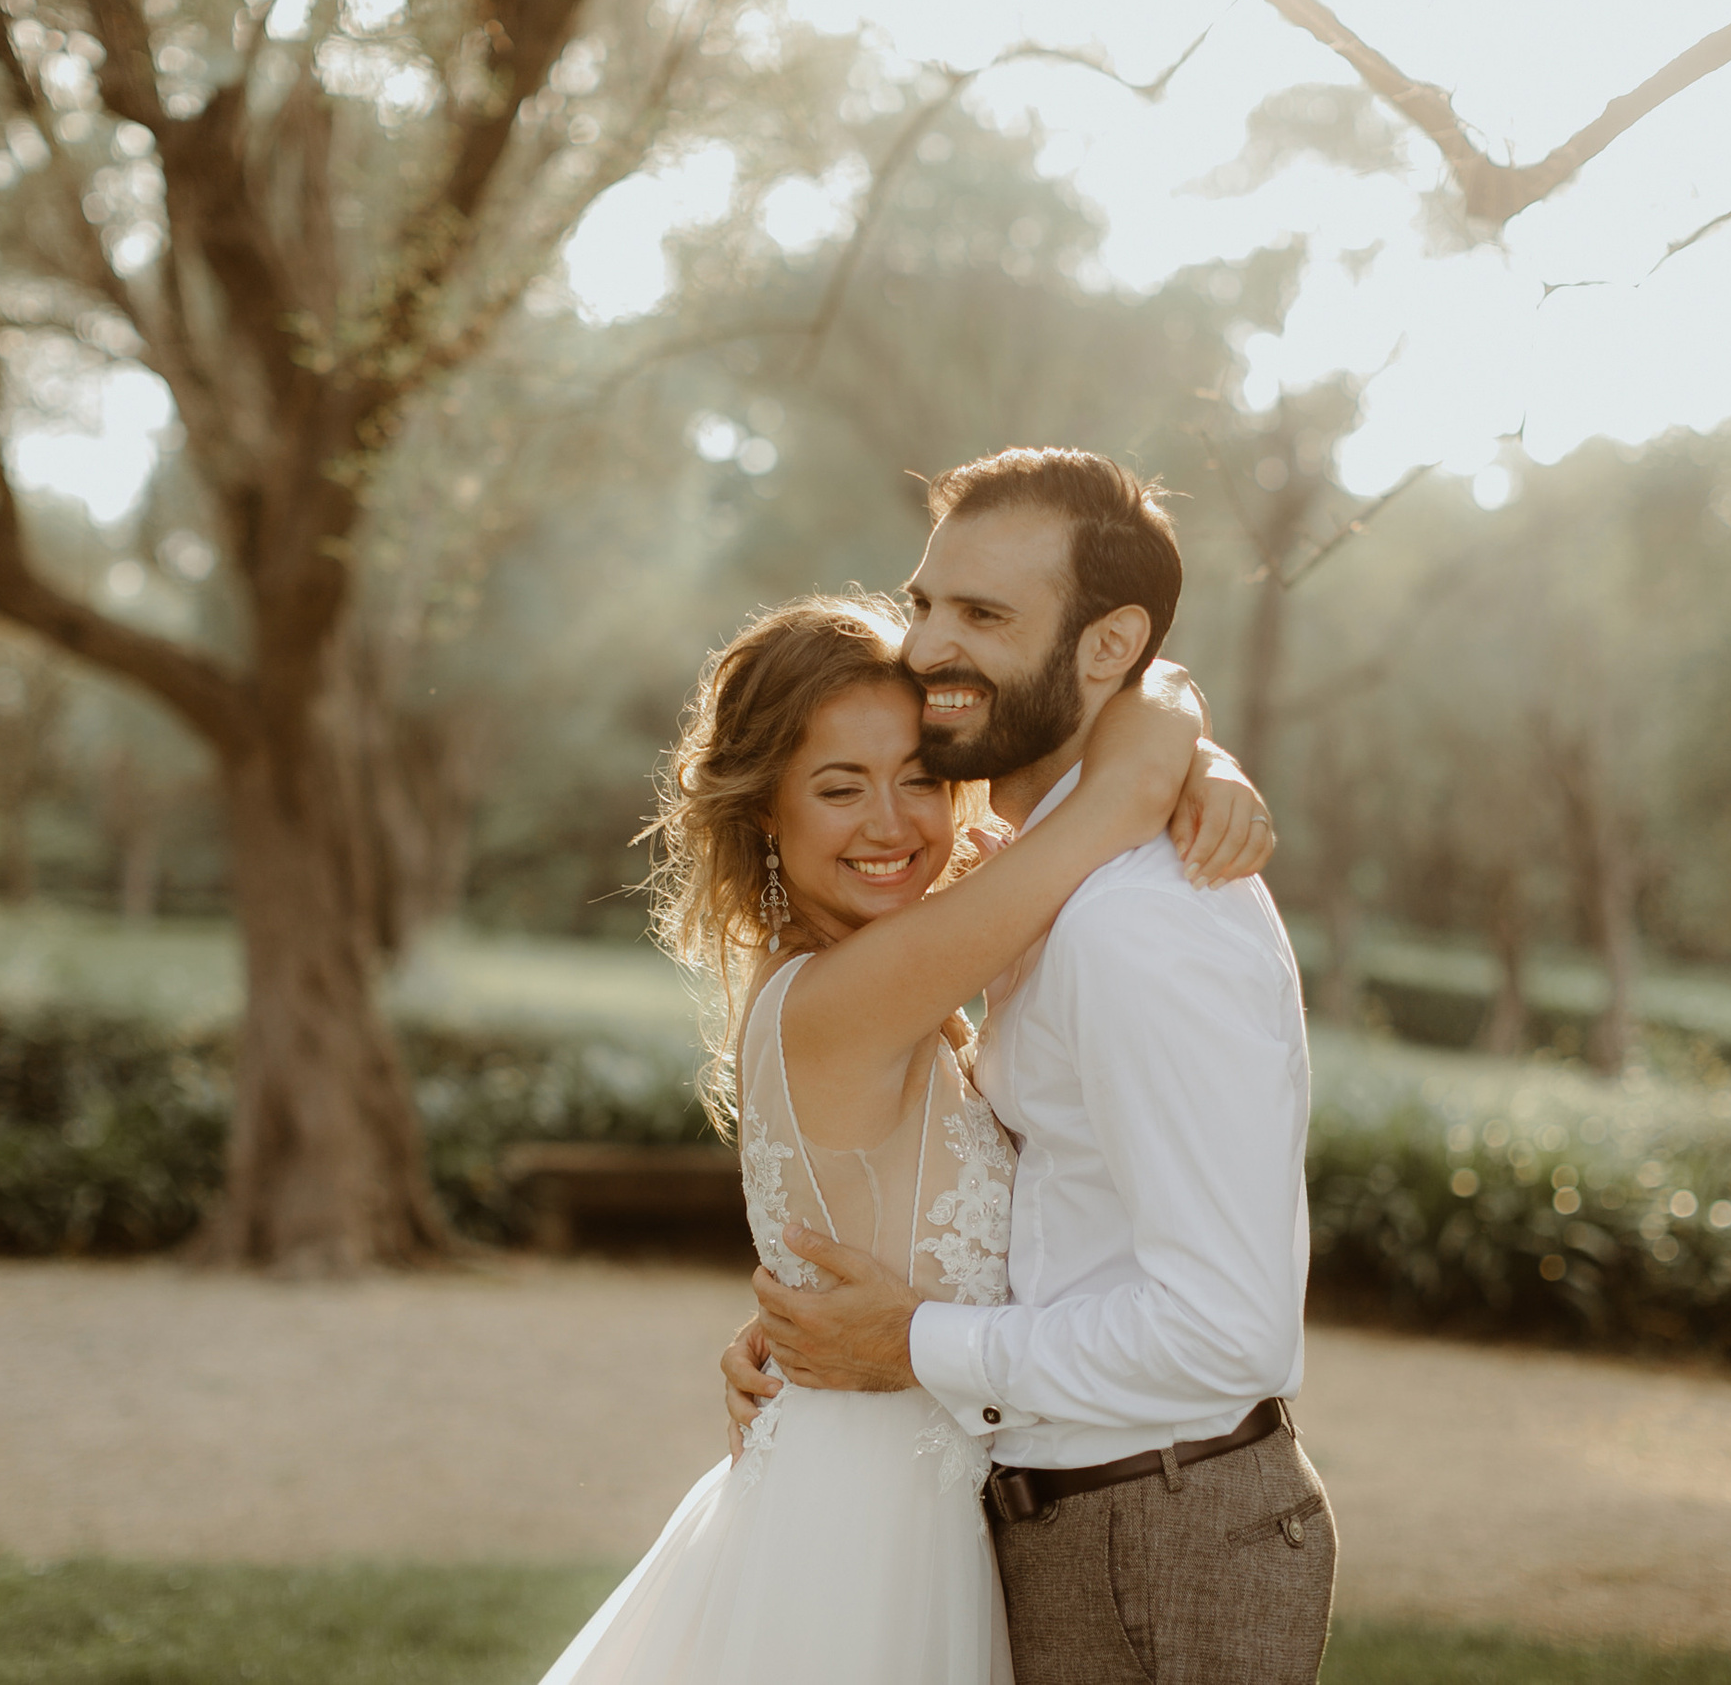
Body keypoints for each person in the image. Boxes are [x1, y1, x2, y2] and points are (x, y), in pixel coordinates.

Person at [538, 584, 1274, 1685]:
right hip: (854, 1540)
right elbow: (1116, 788)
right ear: (766, 817)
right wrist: (1194, 748)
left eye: (921, 780)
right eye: (840, 788)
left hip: (912, 1510)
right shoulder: (846, 995)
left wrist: (1193, 747)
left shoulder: (881, 981)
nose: (891, 824)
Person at [724, 449, 1337, 1684]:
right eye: (927, 602)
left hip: (1157, 1529)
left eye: (984, 616)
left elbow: (1229, 1333)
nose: (930, 649)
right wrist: (1163, 743)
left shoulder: (1129, 920)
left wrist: (913, 1345)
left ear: (1105, 647)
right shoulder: (1031, 884)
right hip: (1034, 1518)